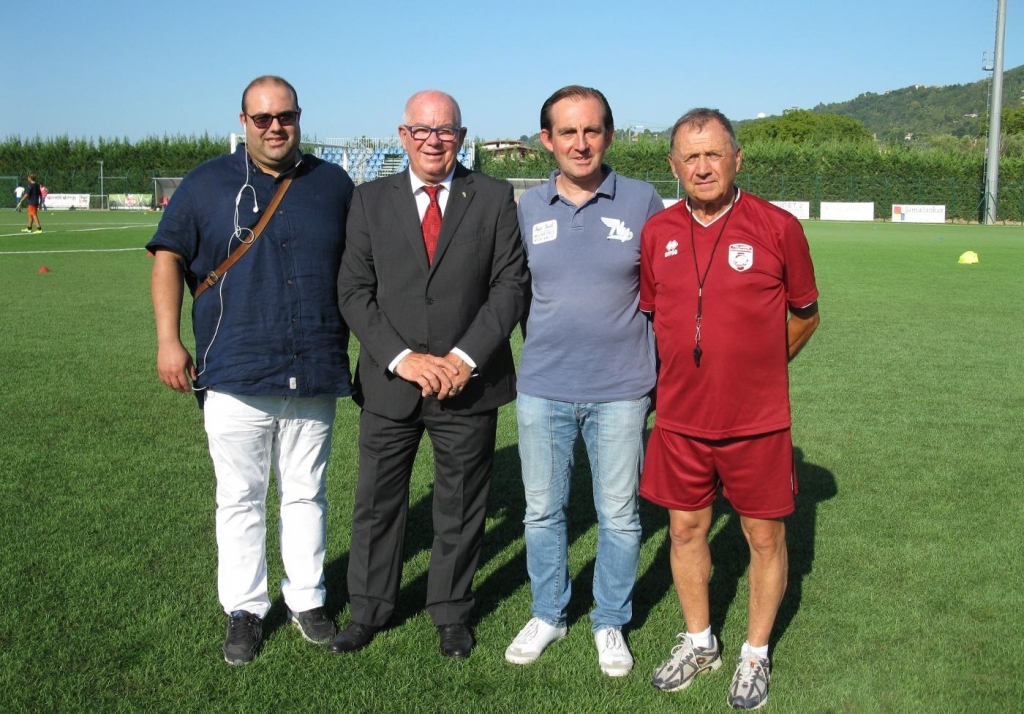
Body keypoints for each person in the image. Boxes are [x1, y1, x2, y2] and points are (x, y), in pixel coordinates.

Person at [146, 75, 355, 666]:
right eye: (261, 118)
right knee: (240, 496)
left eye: (284, 116)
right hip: (234, 368)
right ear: (243, 122)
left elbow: (360, 272)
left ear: (298, 117)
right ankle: (245, 608)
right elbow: (168, 257)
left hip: (313, 365)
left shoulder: (333, 184)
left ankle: (308, 598)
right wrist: (168, 340)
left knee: (307, 493)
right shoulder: (206, 182)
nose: (274, 127)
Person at [333, 89, 528, 660]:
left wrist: (463, 359)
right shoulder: (369, 200)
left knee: (462, 504)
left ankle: (451, 613)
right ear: (402, 136)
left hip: (469, 383)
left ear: (461, 137)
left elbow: (509, 286)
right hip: (390, 382)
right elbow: (354, 289)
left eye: (444, 130)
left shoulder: (492, 197)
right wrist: (404, 358)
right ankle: (368, 610)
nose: (433, 140)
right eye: (421, 130)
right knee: (377, 503)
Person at [639, 108, 819, 710]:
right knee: (686, 529)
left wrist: (762, 370)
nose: (703, 166)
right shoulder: (658, 231)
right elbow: (652, 314)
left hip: (757, 425)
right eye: (690, 157)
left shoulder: (777, 226)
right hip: (680, 422)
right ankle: (699, 642)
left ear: (737, 158)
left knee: (764, 537)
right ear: (673, 166)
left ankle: (754, 654)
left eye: (714, 153)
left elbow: (806, 314)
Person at [504, 86, 662, 677]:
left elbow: (665, 294)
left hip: (622, 390)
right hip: (542, 385)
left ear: (609, 135)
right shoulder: (527, 207)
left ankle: (610, 621)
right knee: (542, 512)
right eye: (567, 132)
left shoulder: (644, 201)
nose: (580, 142)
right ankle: (548, 612)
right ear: (547, 140)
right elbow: (514, 294)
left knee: (618, 516)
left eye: (591, 130)